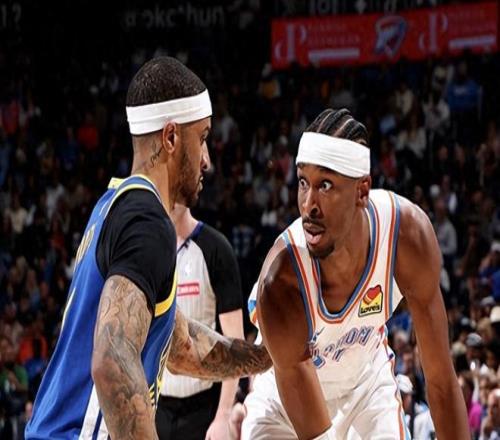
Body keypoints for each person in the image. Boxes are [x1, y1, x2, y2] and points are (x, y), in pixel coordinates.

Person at [25, 56, 271, 440]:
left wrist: (266, 356)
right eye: (202, 138)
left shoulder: (114, 205)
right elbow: (112, 361)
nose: (207, 160)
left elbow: (184, 346)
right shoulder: (147, 221)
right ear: (171, 138)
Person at [243, 108, 469, 439]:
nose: (309, 205)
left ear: (362, 191)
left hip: (366, 387)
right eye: (303, 182)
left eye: (325, 185)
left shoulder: (407, 235)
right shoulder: (281, 282)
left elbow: (441, 382)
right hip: (285, 405)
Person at [155, 199, 245, 440]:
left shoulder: (215, 248)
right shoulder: (147, 252)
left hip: (204, 408)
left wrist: (223, 415)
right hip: (157, 407)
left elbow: (235, 343)